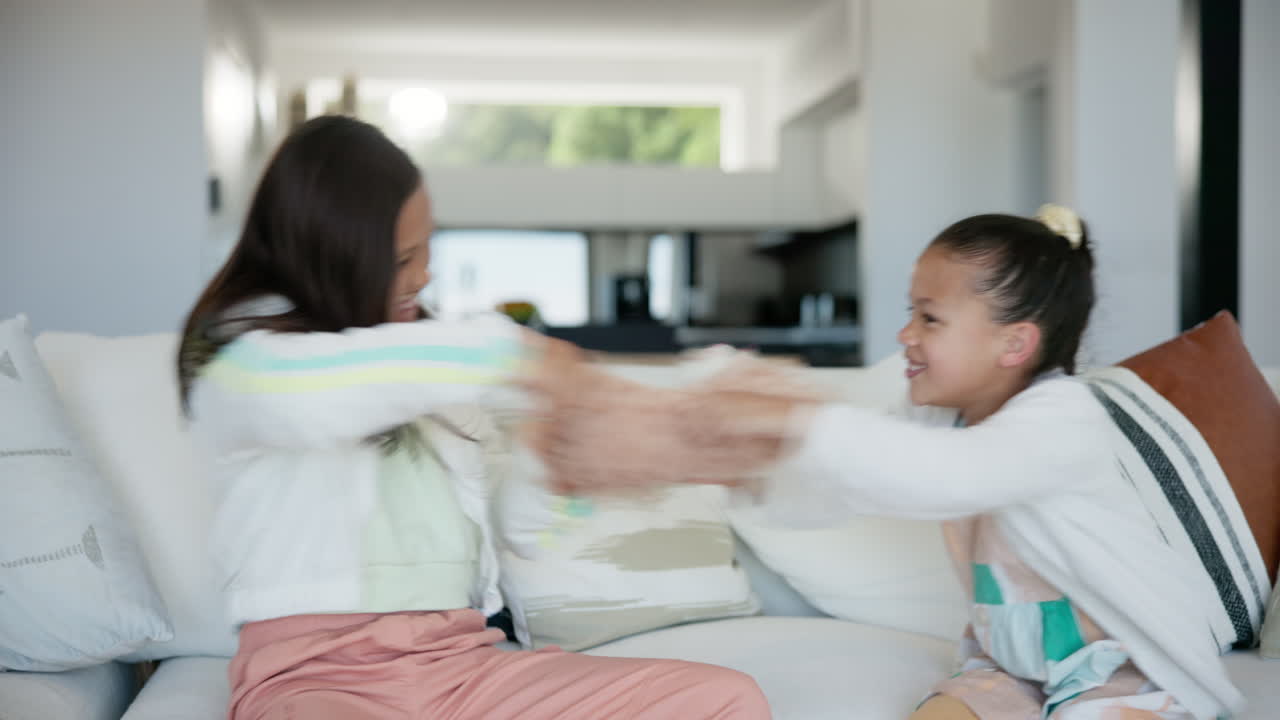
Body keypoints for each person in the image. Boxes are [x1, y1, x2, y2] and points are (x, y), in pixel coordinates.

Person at [536, 207, 1244, 720]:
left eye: (930, 319)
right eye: (911, 312)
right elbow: (839, 492)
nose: (904, 335)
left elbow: (946, 477)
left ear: (1015, 344)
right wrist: (734, 464)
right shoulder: (934, 417)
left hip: (1129, 675)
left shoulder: (1065, 420)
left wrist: (792, 418)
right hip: (1013, 670)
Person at [177, 115, 770, 720]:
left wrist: (559, 468)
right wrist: (521, 356)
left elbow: (512, 531)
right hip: (316, 680)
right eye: (404, 257)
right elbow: (318, 393)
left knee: (726, 699)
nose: (424, 276)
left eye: (428, 249)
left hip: (463, 666)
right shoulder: (240, 367)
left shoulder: (437, 374)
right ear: (335, 255)